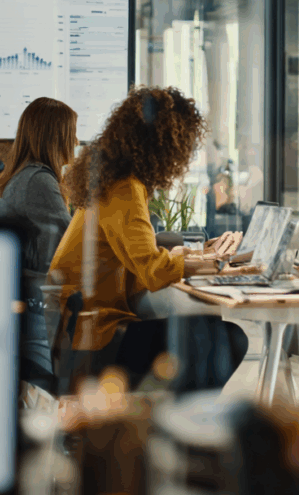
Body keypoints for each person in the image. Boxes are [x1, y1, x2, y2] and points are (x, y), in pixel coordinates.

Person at [49, 86, 244, 392]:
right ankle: (173, 416)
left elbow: (137, 258)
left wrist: (194, 256)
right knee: (222, 337)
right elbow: (151, 271)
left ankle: (168, 414)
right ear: (165, 145)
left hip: (78, 327)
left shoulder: (113, 181)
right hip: (94, 334)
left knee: (210, 330)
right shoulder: (124, 189)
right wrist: (215, 265)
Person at [0, 97, 78, 273]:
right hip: (34, 284)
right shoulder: (37, 180)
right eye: (72, 133)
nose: (76, 141)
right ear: (55, 138)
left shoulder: (18, 175)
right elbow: (71, 243)